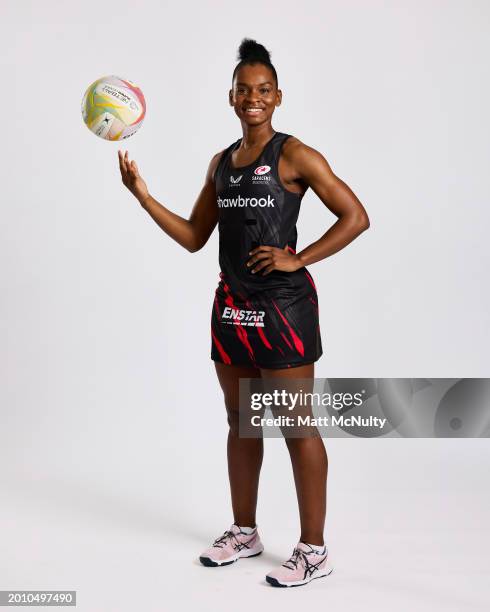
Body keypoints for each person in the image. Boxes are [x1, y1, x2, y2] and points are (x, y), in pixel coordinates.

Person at [118, 38, 369, 588]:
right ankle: (245, 531)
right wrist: (142, 194)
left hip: (283, 309)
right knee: (241, 421)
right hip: (231, 309)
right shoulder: (221, 163)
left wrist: (297, 258)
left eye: (262, 90)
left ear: (277, 96)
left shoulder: (296, 154)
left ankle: (315, 549)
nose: (252, 99)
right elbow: (192, 236)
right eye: (243, 91)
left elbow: (356, 216)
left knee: (295, 426)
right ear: (230, 97)